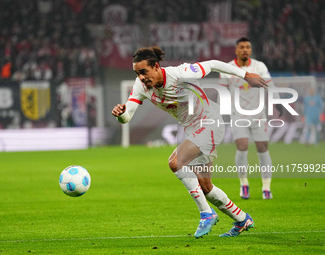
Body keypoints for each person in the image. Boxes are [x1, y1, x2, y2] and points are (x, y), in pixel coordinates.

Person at [112, 46, 268, 238]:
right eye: (137, 73)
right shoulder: (140, 86)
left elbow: (213, 64)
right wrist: (120, 114)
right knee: (205, 187)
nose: (141, 77)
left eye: (143, 72)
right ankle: (242, 219)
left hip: (210, 122)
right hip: (192, 128)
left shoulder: (181, 73)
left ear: (156, 66)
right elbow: (127, 117)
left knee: (175, 162)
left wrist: (245, 75)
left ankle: (206, 214)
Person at [219, 37, 283, 200]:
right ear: (236, 50)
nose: (245, 50)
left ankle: (266, 188)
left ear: (251, 50)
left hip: (258, 115)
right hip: (238, 115)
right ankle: (244, 184)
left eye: (248, 47)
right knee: (242, 146)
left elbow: (270, 84)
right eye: (242, 47)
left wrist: (277, 101)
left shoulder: (259, 66)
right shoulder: (228, 68)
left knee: (262, 148)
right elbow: (222, 91)